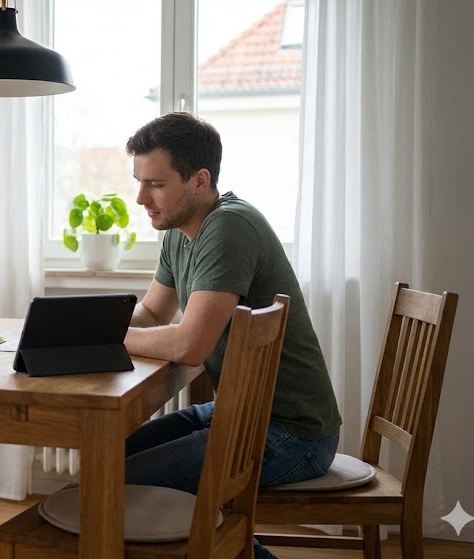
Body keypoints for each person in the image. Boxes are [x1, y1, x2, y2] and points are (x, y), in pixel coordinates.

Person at [121, 112, 342, 559]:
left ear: (199, 180)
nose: (141, 197)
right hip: (238, 412)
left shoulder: (228, 227)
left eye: (156, 184)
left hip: (291, 433)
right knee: (111, 455)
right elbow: (150, 311)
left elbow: (190, 345)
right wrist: (93, 327)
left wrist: (108, 342)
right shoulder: (179, 231)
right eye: (139, 181)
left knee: (123, 483)